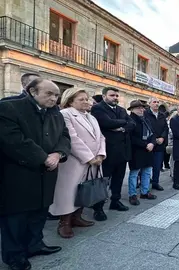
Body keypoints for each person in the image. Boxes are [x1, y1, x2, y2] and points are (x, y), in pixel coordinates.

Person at [0, 78, 71, 269]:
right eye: (49, 93)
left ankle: (35, 245)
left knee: (40, 212)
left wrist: (58, 154)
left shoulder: (55, 113)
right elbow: (13, 140)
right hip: (18, 174)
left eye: (57, 95)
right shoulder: (9, 107)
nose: (54, 98)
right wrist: (43, 158)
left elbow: (64, 136)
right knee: (16, 217)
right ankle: (14, 256)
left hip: (47, 173)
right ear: (32, 91)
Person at [50, 88, 105, 239]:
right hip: (74, 161)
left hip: (93, 161)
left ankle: (77, 217)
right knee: (68, 192)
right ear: (70, 101)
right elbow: (72, 139)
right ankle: (64, 223)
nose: (86, 102)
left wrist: (100, 154)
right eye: (81, 99)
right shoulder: (65, 114)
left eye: (87, 99)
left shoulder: (91, 117)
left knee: (84, 190)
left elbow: (100, 137)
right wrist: (89, 157)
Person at [90, 87, 135, 221]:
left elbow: (132, 123)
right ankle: (98, 208)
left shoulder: (121, 110)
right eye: (112, 95)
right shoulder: (98, 108)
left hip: (122, 151)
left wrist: (121, 127)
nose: (115, 97)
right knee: (103, 180)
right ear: (104, 96)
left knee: (119, 178)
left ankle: (115, 201)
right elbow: (106, 123)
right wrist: (123, 123)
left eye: (117, 95)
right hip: (107, 151)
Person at [127, 100, 157, 205]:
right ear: (132, 109)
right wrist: (145, 145)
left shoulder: (146, 119)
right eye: (138, 108)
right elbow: (131, 137)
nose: (141, 109)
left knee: (147, 171)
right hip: (137, 150)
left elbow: (153, 133)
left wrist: (152, 143)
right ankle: (132, 195)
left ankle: (145, 192)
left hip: (148, 150)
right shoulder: (130, 120)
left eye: (142, 107)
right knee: (134, 173)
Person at [144, 97, 169, 191]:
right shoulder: (145, 113)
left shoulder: (162, 115)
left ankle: (155, 182)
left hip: (160, 145)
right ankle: (143, 183)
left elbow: (165, 128)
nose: (156, 104)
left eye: (158, 102)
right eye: (154, 102)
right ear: (149, 103)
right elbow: (147, 128)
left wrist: (162, 137)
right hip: (149, 144)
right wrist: (154, 140)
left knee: (157, 165)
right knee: (145, 166)